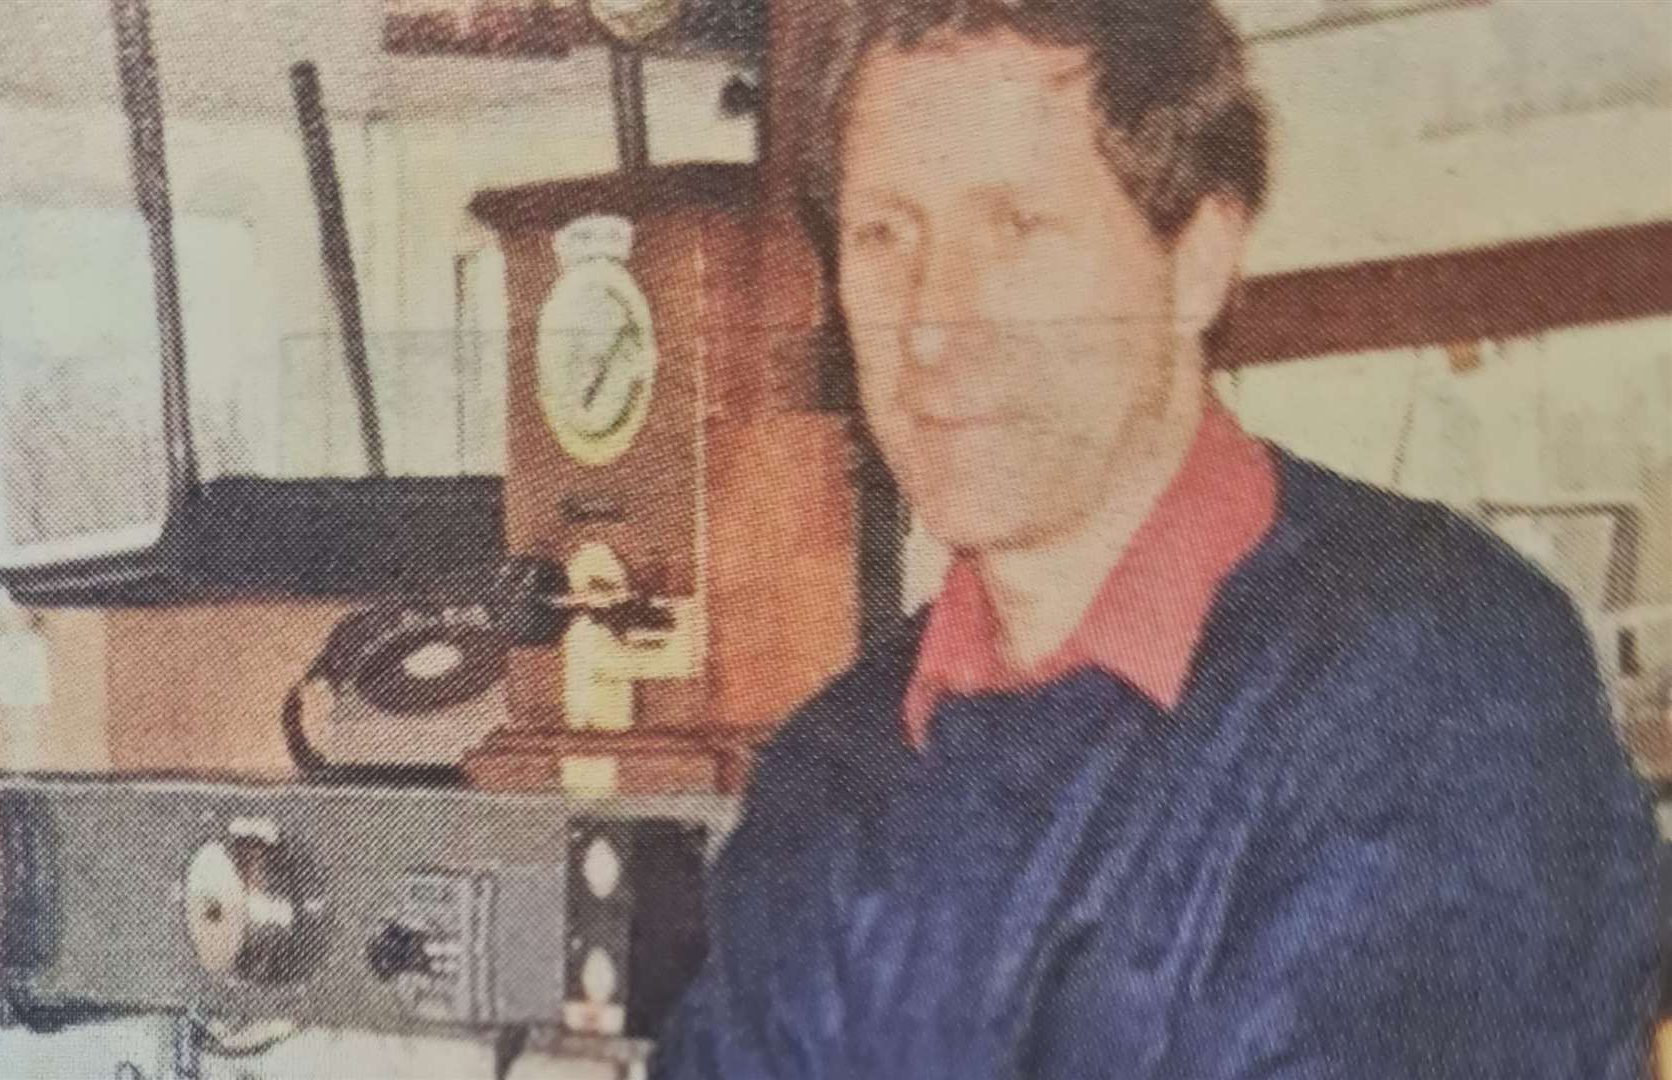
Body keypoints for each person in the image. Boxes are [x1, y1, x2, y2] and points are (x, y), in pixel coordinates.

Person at [650, 1, 1660, 1077]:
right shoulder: (834, 768)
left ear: (1195, 262)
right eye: (883, 234)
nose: (932, 325)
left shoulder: (1434, 679)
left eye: (1016, 228)